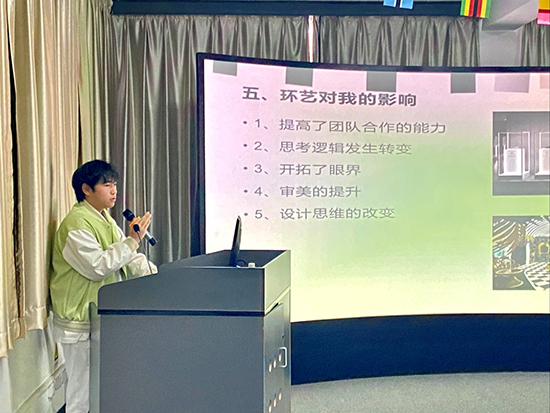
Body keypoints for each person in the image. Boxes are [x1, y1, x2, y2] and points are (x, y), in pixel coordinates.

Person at [49, 160, 157, 413]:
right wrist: (133, 240)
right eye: (106, 185)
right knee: (81, 393)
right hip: (78, 320)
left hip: (98, 316)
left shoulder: (104, 218)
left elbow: (128, 256)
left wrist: (156, 277)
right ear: (86, 189)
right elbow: (98, 267)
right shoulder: (76, 224)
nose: (114, 190)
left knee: (97, 389)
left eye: (114, 184)